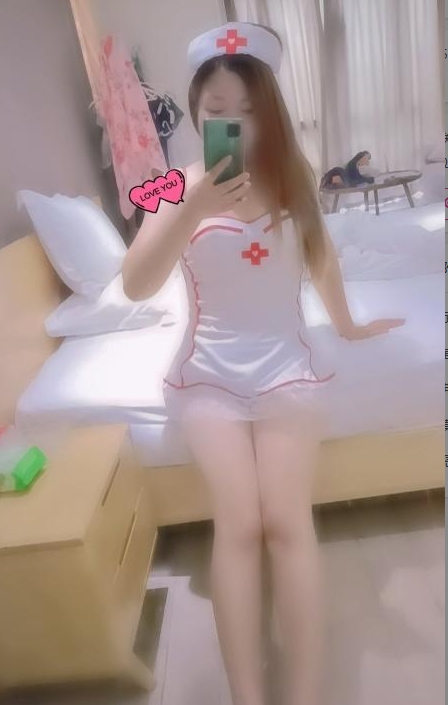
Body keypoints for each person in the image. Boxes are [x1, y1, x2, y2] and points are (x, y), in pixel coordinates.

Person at [122, 21, 404, 705]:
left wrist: (348, 325)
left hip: (287, 371)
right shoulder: (171, 187)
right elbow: (134, 284)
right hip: (207, 379)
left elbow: (321, 257)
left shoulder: (293, 178)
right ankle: (247, 695)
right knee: (240, 523)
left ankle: (303, 694)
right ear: (197, 112)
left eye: (248, 110)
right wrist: (192, 206)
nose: (234, 124)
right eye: (218, 110)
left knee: (286, 522)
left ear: (269, 111)